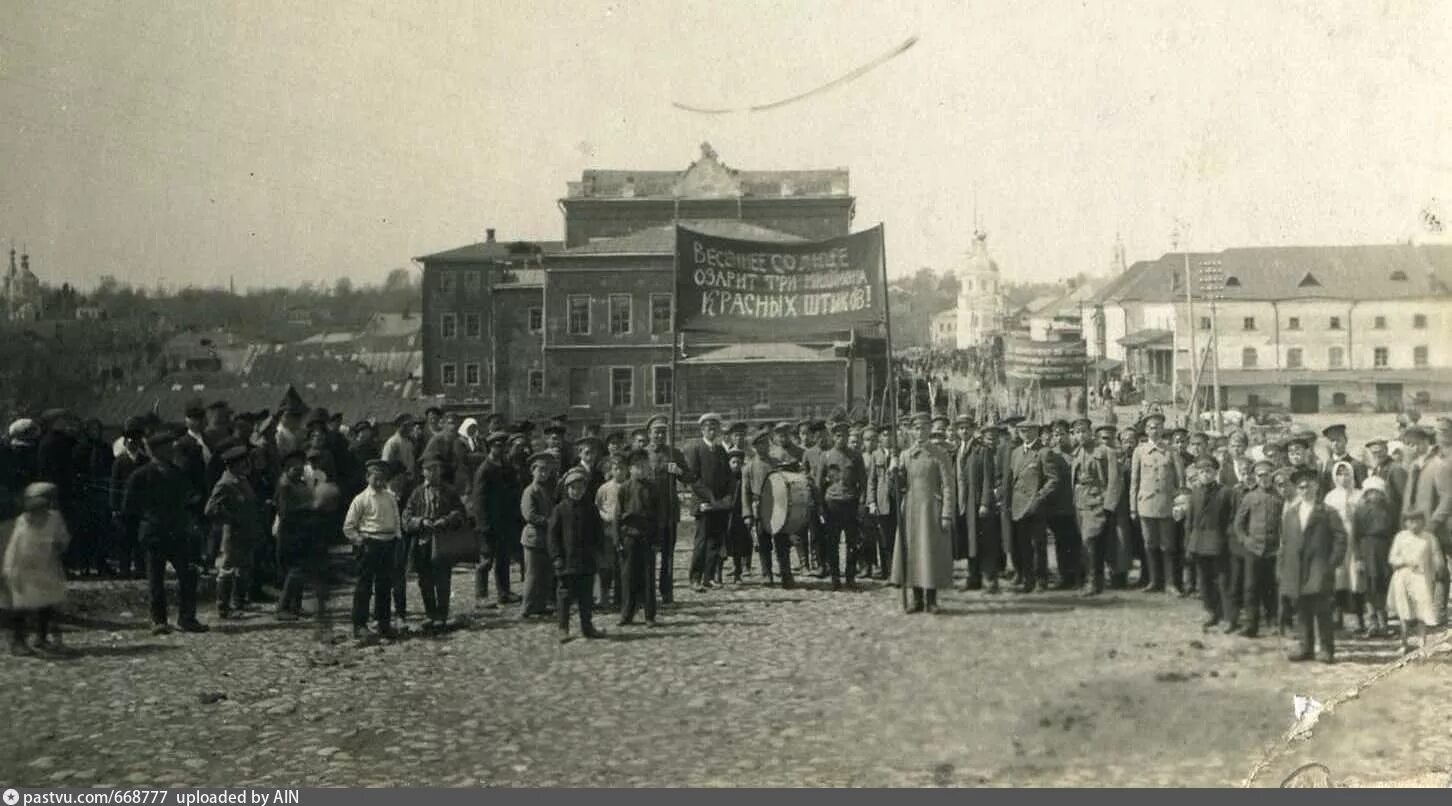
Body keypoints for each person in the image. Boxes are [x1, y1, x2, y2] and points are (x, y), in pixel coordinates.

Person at [122, 429, 208, 635]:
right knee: (156, 578)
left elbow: (189, 497)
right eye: (169, 447)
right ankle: (158, 620)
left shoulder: (178, 473)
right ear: (157, 451)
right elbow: (128, 507)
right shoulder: (141, 475)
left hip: (178, 532)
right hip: (154, 532)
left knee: (188, 575)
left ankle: (187, 618)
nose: (173, 450)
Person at [1278, 467, 1348, 664]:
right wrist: (1283, 568)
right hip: (1296, 570)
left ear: (1316, 487)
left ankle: (1326, 649)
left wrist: (1332, 563)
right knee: (1302, 609)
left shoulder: (1327, 511)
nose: (1305, 490)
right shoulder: (1291, 513)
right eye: (1300, 487)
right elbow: (1285, 543)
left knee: (1322, 610)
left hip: (1319, 568)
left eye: (1308, 486)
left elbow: (1341, 538)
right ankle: (1306, 647)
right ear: (1297, 490)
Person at [890, 413, 956, 614]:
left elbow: (948, 486)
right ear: (911, 431)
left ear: (930, 430)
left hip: (930, 510)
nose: (920, 432)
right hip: (910, 509)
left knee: (930, 554)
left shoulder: (940, 454)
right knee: (912, 554)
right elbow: (900, 486)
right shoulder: (905, 455)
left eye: (924, 428)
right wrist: (893, 470)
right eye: (916, 428)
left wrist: (946, 514)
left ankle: (932, 599)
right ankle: (916, 599)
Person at [2, 483, 71, 656]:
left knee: (46, 603)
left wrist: (59, 546)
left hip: (47, 567)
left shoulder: (55, 518)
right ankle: (18, 641)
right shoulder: (23, 522)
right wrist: (10, 570)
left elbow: (62, 538)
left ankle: (41, 638)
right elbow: (15, 547)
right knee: (22, 605)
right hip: (24, 568)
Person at [403, 457, 467, 633]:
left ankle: (442, 615)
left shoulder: (449, 492)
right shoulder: (416, 493)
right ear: (423, 472)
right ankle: (430, 614)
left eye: (436, 469)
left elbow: (461, 513)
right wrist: (421, 522)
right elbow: (406, 518)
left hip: (443, 542)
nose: (433, 473)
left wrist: (446, 520)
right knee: (425, 580)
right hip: (423, 542)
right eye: (429, 469)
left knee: (443, 580)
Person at [342, 459, 403, 642]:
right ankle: (359, 625)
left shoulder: (390, 497)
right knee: (364, 586)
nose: (378, 482)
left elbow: (396, 519)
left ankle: (383, 622)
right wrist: (360, 540)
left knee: (384, 585)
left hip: (388, 543)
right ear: (367, 477)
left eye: (382, 478)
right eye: (375, 478)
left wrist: (397, 538)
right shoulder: (360, 499)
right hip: (369, 544)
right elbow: (349, 527)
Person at [205, 445, 266, 619]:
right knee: (227, 569)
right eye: (242, 462)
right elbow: (209, 509)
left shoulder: (242, 479)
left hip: (247, 531)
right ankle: (223, 607)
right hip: (232, 533)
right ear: (232, 465)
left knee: (244, 568)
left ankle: (238, 602)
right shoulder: (225, 483)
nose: (246, 465)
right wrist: (230, 518)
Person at [548, 466, 605, 643]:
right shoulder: (560, 510)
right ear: (567, 489)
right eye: (573, 488)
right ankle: (563, 628)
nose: (577, 491)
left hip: (586, 562)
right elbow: (552, 536)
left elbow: (598, 534)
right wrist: (556, 557)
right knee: (564, 596)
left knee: (586, 597)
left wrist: (598, 553)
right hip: (566, 563)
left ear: (585, 489)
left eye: (580, 488)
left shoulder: (591, 509)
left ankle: (587, 627)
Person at [274, 449, 329, 623]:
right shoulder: (285, 486)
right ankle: (282, 607)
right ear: (286, 469)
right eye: (294, 469)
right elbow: (285, 513)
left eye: (300, 467)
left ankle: (295, 606)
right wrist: (311, 507)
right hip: (290, 534)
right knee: (295, 571)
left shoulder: (300, 483)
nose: (298, 471)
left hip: (302, 533)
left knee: (300, 571)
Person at [1130, 412, 1181, 594]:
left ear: (1163, 429)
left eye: (1158, 426)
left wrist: (1179, 505)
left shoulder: (1172, 451)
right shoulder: (1139, 451)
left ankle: (1170, 583)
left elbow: (1180, 482)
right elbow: (1134, 482)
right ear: (1146, 430)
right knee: (1150, 544)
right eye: (1151, 427)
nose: (1155, 430)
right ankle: (1153, 581)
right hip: (1146, 504)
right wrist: (1133, 508)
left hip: (1166, 504)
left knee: (1168, 545)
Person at [1005, 421, 1057, 593]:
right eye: (1022, 430)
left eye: (1030, 430)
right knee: (1023, 545)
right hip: (1019, 505)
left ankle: (1041, 580)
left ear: (1037, 431)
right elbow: (1013, 479)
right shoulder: (1016, 453)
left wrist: (1039, 497)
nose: (1026, 433)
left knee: (1038, 545)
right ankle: (1028, 580)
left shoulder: (1044, 452)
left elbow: (1053, 480)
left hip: (1036, 507)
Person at [814, 420, 868, 589]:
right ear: (833, 436)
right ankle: (835, 577)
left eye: (845, 435)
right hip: (832, 505)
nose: (842, 439)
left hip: (850, 503)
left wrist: (861, 504)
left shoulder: (856, 456)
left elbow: (863, 483)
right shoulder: (826, 456)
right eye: (838, 435)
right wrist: (820, 507)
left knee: (852, 542)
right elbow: (818, 484)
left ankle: (850, 577)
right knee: (832, 542)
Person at [644, 415, 692, 604]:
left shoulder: (675, 454)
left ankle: (666, 591)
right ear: (649, 433)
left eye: (663, 432)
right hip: (649, 513)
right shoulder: (642, 454)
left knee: (668, 555)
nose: (660, 435)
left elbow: (689, 477)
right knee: (648, 555)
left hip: (669, 511)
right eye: (657, 432)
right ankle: (647, 592)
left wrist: (678, 471)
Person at [1185, 458, 1236, 631]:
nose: (1205, 475)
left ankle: (1229, 617)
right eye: (1201, 472)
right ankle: (1211, 612)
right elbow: (1190, 521)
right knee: (1204, 580)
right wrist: (1189, 543)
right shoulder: (1195, 493)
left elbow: (1233, 519)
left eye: (1208, 471)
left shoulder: (1226, 492)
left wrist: (1227, 539)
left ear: (1215, 472)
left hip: (1219, 542)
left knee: (1223, 581)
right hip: (1198, 543)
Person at [1073, 421, 1122, 597]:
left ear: (1091, 432)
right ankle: (1094, 581)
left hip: (1097, 502)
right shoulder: (1077, 452)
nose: (1080, 435)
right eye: (1077, 432)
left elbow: (1115, 480)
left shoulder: (1105, 452)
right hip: (1081, 503)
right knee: (1088, 543)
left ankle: (1093, 582)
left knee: (1091, 541)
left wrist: (1108, 505)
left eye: (1083, 431)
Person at [1234, 461, 1282, 638]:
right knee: (1250, 587)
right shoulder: (1249, 497)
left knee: (1272, 587)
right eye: (1260, 475)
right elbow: (1238, 524)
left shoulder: (1279, 498)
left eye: (1267, 474)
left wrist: (1281, 545)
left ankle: (1273, 621)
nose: (1264, 478)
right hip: (1253, 550)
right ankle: (1251, 624)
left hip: (1273, 551)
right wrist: (1245, 540)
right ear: (1255, 477)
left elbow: (1284, 524)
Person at [1387, 509, 1444, 654]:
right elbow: (1392, 558)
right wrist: (1405, 562)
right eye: (1410, 521)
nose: (1414, 525)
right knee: (1403, 609)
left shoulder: (1429, 538)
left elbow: (1436, 555)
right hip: (1403, 576)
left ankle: (1422, 641)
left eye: (1417, 521)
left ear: (1423, 522)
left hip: (1422, 577)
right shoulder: (1400, 537)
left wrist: (1439, 568)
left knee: (1422, 608)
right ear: (1405, 523)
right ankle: (1404, 642)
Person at [616, 450, 660, 627]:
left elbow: (658, 516)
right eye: (637, 467)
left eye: (644, 466)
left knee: (648, 577)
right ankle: (627, 613)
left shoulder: (653, 488)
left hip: (647, 538)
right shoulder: (624, 488)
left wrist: (657, 540)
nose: (641, 470)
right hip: (629, 538)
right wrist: (617, 540)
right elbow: (618, 515)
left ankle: (650, 615)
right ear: (630, 469)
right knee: (628, 578)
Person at [1323, 460, 1367, 633]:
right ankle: (1338, 615)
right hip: (1338, 540)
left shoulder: (1359, 495)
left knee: (1356, 579)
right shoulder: (1330, 497)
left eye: (1346, 473)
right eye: (1339, 474)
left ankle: (1360, 618)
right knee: (1339, 577)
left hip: (1355, 540)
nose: (1343, 477)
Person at [1354, 476, 1397, 638]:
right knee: (1368, 587)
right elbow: (1355, 536)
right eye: (1370, 492)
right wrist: (1358, 558)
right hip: (1366, 549)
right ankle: (1372, 622)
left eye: (1377, 492)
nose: (1374, 496)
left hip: (1384, 550)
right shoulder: (1360, 511)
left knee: (1382, 585)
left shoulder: (1389, 509)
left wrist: (1394, 553)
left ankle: (1384, 623)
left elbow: (1394, 532)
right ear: (1366, 494)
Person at [520, 452, 559, 619]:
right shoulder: (530, 491)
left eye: (547, 470)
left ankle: (540, 605)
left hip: (545, 538)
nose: (543, 473)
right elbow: (530, 515)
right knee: (533, 575)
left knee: (545, 574)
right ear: (533, 471)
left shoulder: (546, 489)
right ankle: (527, 607)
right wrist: (550, 521)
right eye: (540, 470)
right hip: (533, 538)